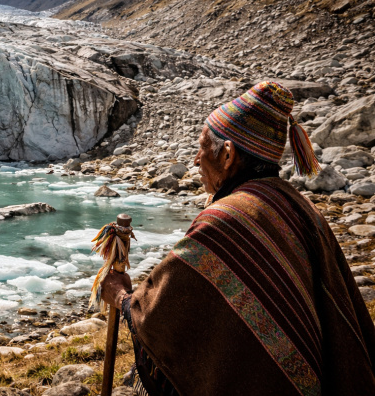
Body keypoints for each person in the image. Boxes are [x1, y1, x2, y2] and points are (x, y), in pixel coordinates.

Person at [101, 81, 375, 395]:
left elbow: (158, 316)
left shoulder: (225, 219)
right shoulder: (302, 206)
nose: (195, 160)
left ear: (228, 155)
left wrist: (122, 298)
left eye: (202, 147)